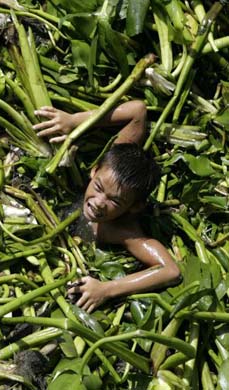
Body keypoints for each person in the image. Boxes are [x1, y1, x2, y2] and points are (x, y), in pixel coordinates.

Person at [33, 101, 181, 313]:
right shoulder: (114, 163)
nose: (99, 202)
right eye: (98, 187)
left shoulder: (125, 232)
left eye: (115, 201)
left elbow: (171, 271)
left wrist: (107, 289)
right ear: (94, 170)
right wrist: (74, 121)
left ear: (134, 207)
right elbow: (138, 110)